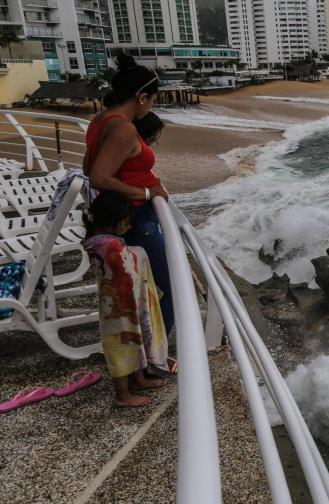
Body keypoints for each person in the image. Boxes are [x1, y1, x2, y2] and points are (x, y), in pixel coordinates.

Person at [83, 54, 174, 334]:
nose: (153, 105)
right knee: (170, 285)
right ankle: (156, 357)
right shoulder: (123, 128)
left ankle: (148, 353)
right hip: (135, 219)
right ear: (142, 97)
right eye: (154, 99)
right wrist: (147, 193)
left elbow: (88, 166)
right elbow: (98, 176)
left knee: (141, 286)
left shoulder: (102, 120)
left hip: (127, 215)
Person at [82, 192, 168, 408]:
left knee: (134, 340)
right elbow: (125, 268)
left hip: (123, 303)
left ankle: (138, 379)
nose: (129, 227)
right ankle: (122, 394)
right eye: (126, 222)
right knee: (119, 347)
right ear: (113, 221)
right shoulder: (108, 246)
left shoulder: (101, 241)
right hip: (117, 308)